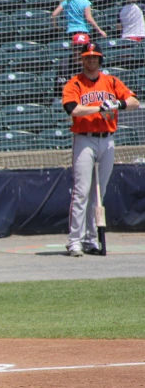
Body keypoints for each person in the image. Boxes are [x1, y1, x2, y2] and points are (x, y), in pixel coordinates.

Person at [61, 42, 138, 257]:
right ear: (82, 59)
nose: (91, 60)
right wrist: (99, 107)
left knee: (99, 193)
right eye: (87, 57)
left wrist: (116, 105)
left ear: (100, 59)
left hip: (108, 139)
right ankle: (74, 240)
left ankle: (91, 239)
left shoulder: (111, 81)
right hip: (84, 139)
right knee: (81, 191)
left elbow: (134, 101)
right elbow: (72, 109)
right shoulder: (74, 83)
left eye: (94, 57)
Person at [54, 33, 90, 99]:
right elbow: (64, 88)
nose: (80, 51)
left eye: (83, 48)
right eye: (78, 48)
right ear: (73, 48)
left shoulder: (92, 63)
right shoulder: (65, 64)